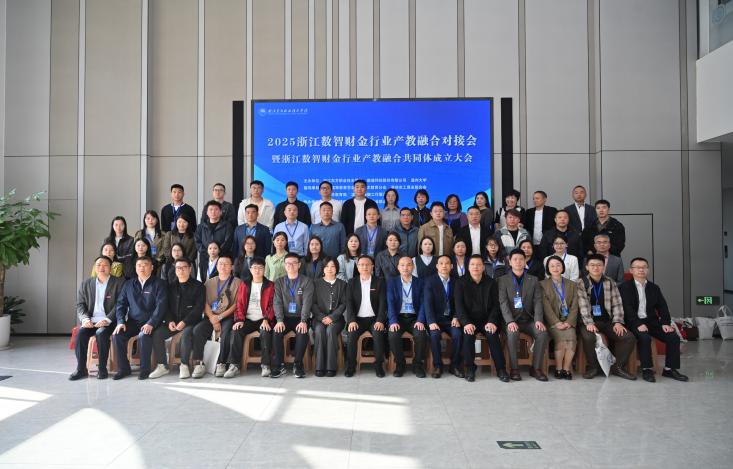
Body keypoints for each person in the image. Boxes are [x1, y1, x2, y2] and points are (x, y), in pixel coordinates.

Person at [619, 257, 688, 382]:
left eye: (644, 267)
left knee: (673, 337)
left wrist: (665, 323)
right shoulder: (624, 287)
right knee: (645, 338)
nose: (641, 270)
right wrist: (637, 323)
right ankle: (647, 369)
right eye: (637, 267)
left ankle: (669, 369)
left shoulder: (654, 287)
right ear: (631, 270)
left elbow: (662, 306)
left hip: (651, 321)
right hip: (633, 322)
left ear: (648, 270)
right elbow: (627, 309)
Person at [576, 254, 637, 380]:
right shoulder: (581, 282)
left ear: (604, 266)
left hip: (607, 321)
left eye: (599, 265)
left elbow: (617, 304)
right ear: (587, 267)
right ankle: (593, 367)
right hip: (588, 321)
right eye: (592, 265)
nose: (596, 268)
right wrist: (589, 323)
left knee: (628, 337)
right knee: (589, 337)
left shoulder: (610, 282)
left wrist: (618, 322)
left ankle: (618, 367)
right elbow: (582, 305)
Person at [112, 256, 168, 380]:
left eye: (145, 265)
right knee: (118, 335)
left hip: (152, 322)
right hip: (133, 321)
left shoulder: (159, 283)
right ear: (135, 268)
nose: (142, 267)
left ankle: (145, 370)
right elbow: (121, 304)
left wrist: (151, 323)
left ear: (152, 267)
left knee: (144, 335)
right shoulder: (128, 284)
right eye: (139, 265)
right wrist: (120, 321)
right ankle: (124, 369)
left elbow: (161, 306)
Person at [148, 258, 205, 379]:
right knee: (157, 333)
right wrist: (169, 321)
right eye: (178, 268)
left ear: (190, 269)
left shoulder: (199, 286)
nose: (181, 270)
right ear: (175, 270)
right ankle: (162, 365)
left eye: (184, 267)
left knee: (186, 334)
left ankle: (184, 365)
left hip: (191, 322)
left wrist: (185, 321)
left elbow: (199, 308)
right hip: (173, 323)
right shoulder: (170, 286)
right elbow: (166, 307)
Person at [455, 255, 510, 382]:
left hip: (487, 320)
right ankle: (470, 368)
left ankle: (501, 369)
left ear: (483, 267)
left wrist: (492, 322)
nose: (476, 267)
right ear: (468, 267)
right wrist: (466, 323)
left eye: (479, 264)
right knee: (468, 335)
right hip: (469, 320)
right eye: (472, 264)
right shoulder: (460, 283)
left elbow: (496, 306)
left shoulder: (491, 282)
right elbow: (459, 306)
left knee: (492, 335)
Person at [70, 256, 125, 380]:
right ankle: (81, 369)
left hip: (110, 321)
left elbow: (120, 304)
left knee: (101, 333)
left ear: (110, 268)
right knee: (81, 334)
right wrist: (85, 319)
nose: (101, 267)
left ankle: (102, 368)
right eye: (98, 265)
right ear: (95, 268)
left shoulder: (119, 282)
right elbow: (80, 304)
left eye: (105, 265)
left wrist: (107, 319)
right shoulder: (86, 283)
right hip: (91, 321)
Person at [497, 249, 549, 381]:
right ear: (510, 262)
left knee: (542, 333)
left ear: (525, 261)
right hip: (511, 320)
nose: (518, 262)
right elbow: (503, 303)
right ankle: (514, 368)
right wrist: (509, 321)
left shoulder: (533, 280)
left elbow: (538, 301)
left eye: (521, 259)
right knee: (512, 333)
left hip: (528, 319)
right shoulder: (502, 280)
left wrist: (538, 320)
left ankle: (536, 368)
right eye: (515, 259)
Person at [190, 256, 242, 378]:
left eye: (226, 264)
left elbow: (236, 304)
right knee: (198, 330)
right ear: (216, 266)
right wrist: (212, 318)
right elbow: (204, 303)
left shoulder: (238, 283)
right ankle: (199, 363)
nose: (223, 266)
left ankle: (221, 363)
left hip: (228, 316)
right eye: (220, 264)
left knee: (226, 332)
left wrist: (219, 318)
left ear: (232, 267)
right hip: (211, 316)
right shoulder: (209, 283)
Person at [224, 257, 275, 378]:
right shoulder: (245, 284)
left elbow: (272, 305)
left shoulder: (270, 285)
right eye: (255, 268)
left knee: (265, 332)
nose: (257, 270)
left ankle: (266, 365)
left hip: (264, 319)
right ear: (250, 270)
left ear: (264, 269)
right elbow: (239, 303)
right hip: (247, 319)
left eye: (260, 268)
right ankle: (234, 365)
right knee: (236, 331)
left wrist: (266, 319)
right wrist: (239, 320)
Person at [271, 253, 314, 378]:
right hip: (284, 318)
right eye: (288, 263)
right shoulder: (279, 282)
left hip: (300, 317)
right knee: (276, 332)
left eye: (294, 263)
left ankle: (298, 364)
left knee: (302, 332)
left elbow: (307, 302)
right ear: (284, 265)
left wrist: (304, 320)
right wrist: (279, 320)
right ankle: (279, 365)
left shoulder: (306, 281)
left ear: (299, 265)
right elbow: (277, 302)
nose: (291, 265)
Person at [344, 255, 387, 377]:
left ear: (372, 266)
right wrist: (351, 320)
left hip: (374, 319)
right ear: (357, 267)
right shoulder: (352, 282)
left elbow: (383, 303)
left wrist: (380, 320)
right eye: (362, 265)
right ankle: (351, 366)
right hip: (357, 320)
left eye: (367, 264)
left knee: (378, 334)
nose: (365, 267)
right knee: (351, 335)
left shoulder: (379, 282)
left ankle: (379, 366)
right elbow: (349, 303)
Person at [387, 257, 428, 378]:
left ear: (413, 267)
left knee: (421, 334)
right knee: (393, 335)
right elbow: (390, 303)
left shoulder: (420, 282)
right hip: (398, 317)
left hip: (414, 318)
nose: (405, 268)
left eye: (409, 265)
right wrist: (393, 321)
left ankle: (418, 364)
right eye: (402, 265)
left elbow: (424, 303)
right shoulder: (392, 282)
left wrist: (420, 320)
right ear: (398, 267)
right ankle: (400, 364)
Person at [540, 256, 579, 379]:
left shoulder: (572, 284)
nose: (555, 268)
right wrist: (556, 322)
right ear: (548, 268)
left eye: (558, 265)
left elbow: (575, 305)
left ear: (562, 267)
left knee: (571, 339)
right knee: (562, 339)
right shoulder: (542, 284)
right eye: (552, 266)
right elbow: (546, 307)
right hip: (552, 322)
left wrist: (569, 322)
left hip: (568, 321)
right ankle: (558, 368)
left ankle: (566, 369)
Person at [424, 256, 463, 378]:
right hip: (435, 320)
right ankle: (438, 366)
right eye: (441, 263)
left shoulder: (457, 281)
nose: (444, 266)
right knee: (434, 335)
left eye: (447, 263)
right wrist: (431, 321)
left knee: (458, 334)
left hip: (451, 319)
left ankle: (454, 365)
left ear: (452, 266)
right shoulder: (430, 281)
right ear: (437, 266)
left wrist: (456, 317)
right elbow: (427, 303)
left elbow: (460, 302)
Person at [310, 257, 347, 377]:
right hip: (318, 319)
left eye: (332, 266)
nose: (329, 269)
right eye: (326, 266)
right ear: (323, 268)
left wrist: (332, 317)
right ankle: (319, 366)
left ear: (337, 268)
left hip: (336, 320)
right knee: (320, 330)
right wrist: (322, 318)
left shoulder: (343, 284)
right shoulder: (316, 283)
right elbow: (313, 304)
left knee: (330, 330)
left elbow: (343, 304)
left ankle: (331, 367)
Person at [195, 200, 234, 280]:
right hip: (205, 258)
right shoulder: (201, 227)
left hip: (222, 258)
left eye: (216, 209)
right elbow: (197, 242)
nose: (213, 212)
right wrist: (208, 252)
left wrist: (217, 252)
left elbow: (228, 241)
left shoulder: (227, 226)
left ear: (220, 212)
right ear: (207, 212)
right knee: (204, 279)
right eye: (211, 209)